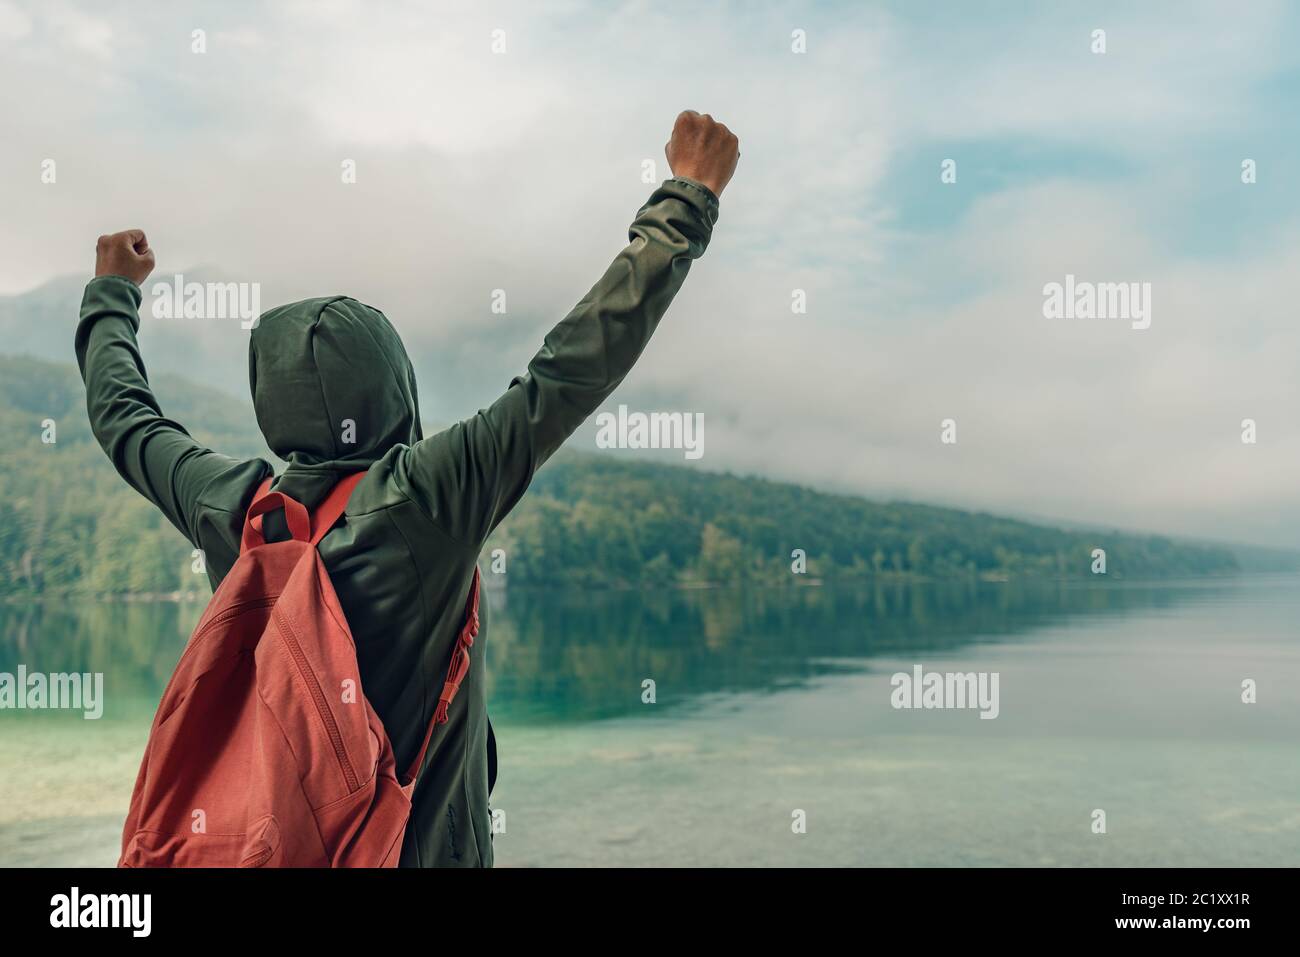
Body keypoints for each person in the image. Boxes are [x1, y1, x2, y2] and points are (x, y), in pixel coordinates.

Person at [75, 110, 739, 866]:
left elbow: (123, 418)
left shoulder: (235, 510)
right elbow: (574, 363)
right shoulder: (427, 498)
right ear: (394, 384)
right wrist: (688, 195)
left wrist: (111, 294)